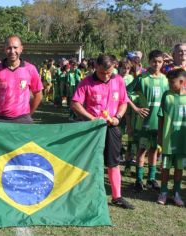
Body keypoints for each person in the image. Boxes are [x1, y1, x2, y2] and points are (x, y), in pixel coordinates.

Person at [71, 54, 135, 209]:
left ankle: (117, 197)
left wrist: (118, 117)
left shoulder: (118, 80)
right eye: (102, 73)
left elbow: (123, 102)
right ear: (96, 67)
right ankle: (84, 194)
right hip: (92, 128)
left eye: (109, 72)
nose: (106, 76)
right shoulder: (86, 82)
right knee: (89, 161)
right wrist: (91, 118)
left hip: (112, 127)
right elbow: (75, 103)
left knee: (113, 162)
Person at [127, 50, 169, 193]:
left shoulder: (166, 79)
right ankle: (139, 180)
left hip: (159, 123)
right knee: (142, 150)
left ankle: (151, 179)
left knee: (154, 150)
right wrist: (136, 107)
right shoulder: (141, 78)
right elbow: (125, 93)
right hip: (144, 123)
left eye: (159, 62)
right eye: (154, 61)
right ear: (149, 62)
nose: (156, 64)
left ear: (163, 62)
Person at [0, 35, 43, 124]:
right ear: (4, 49)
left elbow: (38, 95)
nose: (12, 51)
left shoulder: (30, 69)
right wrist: (5, 109)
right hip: (1, 120)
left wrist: (28, 114)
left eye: (15, 47)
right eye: (9, 48)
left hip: (23, 120)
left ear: (21, 48)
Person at [157, 69, 186, 206]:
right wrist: (159, 137)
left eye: (172, 82)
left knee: (179, 168)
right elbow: (161, 118)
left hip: (183, 141)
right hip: (167, 140)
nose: (169, 84)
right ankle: (163, 192)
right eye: (168, 81)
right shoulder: (166, 95)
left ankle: (176, 193)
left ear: (182, 82)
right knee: (165, 167)